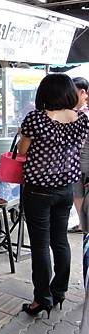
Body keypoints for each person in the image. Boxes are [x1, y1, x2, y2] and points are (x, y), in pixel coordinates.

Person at [17, 74, 89, 317]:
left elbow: (22, 151)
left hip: (38, 190)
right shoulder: (81, 120)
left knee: (40, 246)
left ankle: (42, 299)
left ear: (45, 94)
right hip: (65, 190)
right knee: (60, 241)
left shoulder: (35, 119)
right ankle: (59, 291)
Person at [71, 77, 89, 232]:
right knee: (77, 193)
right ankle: (83, 224)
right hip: (76, 162)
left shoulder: (83, 114)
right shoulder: (73, 112)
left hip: (82, 162)